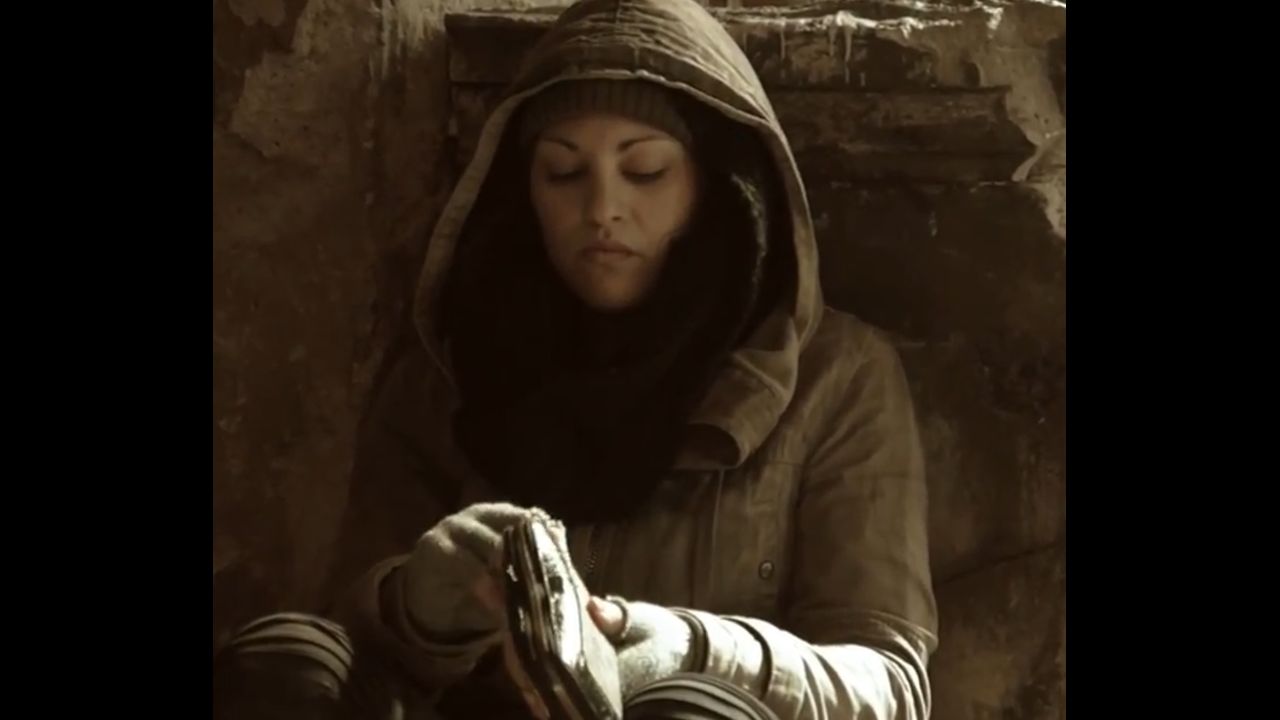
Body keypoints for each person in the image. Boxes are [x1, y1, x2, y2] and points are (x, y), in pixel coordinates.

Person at [212, 0, 938, 718]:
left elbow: (889, 681)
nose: (601, 209)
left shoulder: (838, 377)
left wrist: (688, 649)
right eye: (563, 172)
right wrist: (414, 604)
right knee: (289, 659)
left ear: (718, 185)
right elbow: (350, 632)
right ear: (522, 188)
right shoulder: (454, 365)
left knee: (688, 711)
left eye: (645, 171)